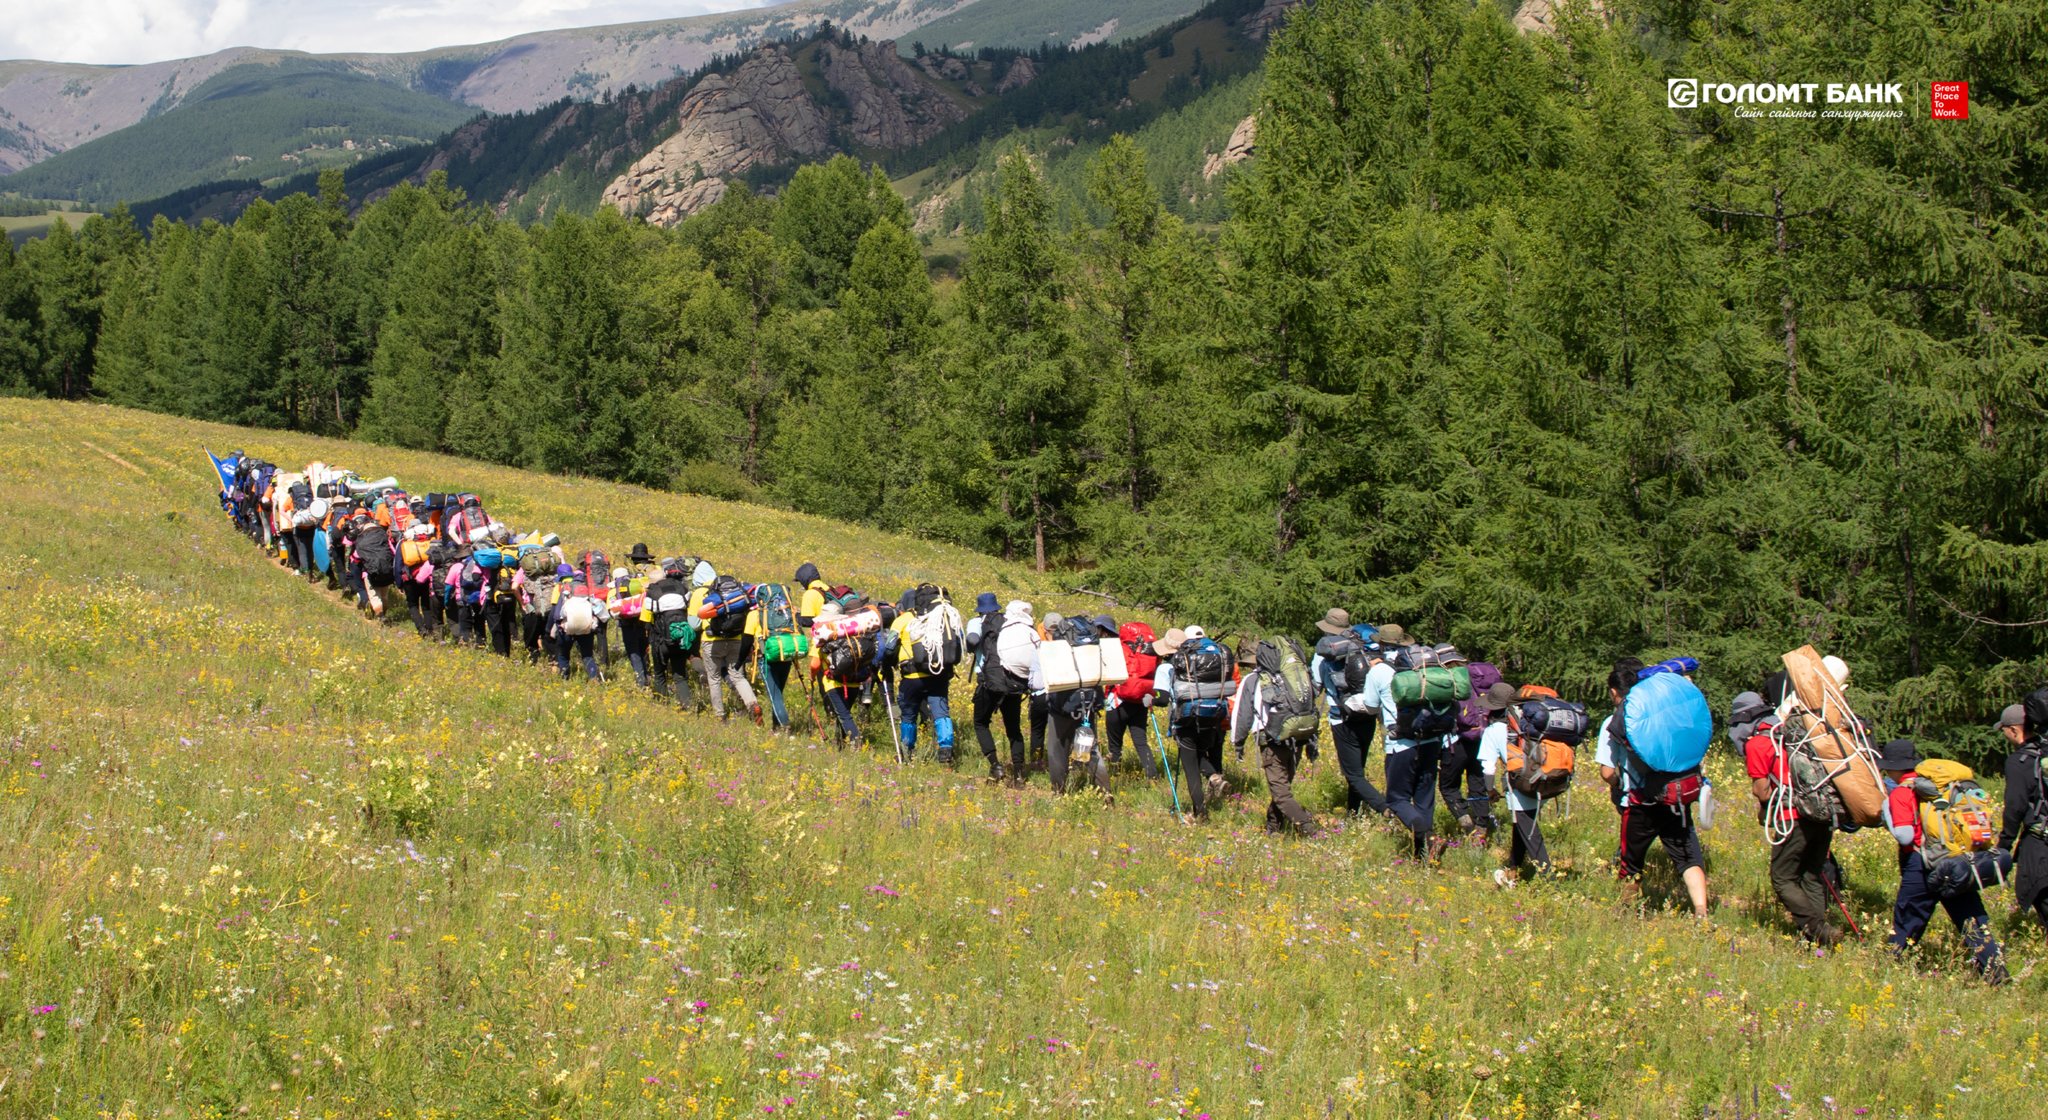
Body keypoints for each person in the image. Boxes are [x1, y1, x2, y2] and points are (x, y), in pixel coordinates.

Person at [1882, 738, 2007, 982]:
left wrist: (1886, 812)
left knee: (1908, 918)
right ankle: (1996, 971)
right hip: (1957, 859)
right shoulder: (1938, 787)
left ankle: (1889, 973)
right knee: (1971, 917)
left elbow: (1905, 836)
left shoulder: (1902, 793)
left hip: (1923, 864)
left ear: (1894, 767)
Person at [1596, 658, 1710, 918]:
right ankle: (1702, 913)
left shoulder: (1615, 720)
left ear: (1615, 692)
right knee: (1688, 857)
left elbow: (1607, 772)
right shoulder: (1668, 712)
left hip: (1639, 802)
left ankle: (1627, 913)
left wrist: (1617, 786)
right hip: (1676, 795)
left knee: (1631, 862)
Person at [1737, 688, 1841, 946]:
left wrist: (1763, 808)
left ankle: (1818, 929)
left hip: (1792, 816)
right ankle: (1817, 937)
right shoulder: (1797, 735)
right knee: (1811, 874)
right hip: (1823, 813)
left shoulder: (1758, 743)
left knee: (1782, 877)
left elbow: (1761, 790)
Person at [1370, 627, 1450, 861]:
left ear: (1382, 645)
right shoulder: (1424, 668)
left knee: (1397, 799)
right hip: (1432, 740)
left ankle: (1428, 837)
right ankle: (1422, 856)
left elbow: (1369, 704)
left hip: (1401, 744)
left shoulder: (1380, 670)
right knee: (1424, 799)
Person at [1231, 638, 1320, 837]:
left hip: (1271, 739)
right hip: (1298, 735)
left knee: (1280, 792)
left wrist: (1238, 743)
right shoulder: (1297, 676)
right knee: (1282, 786)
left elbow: (1242, 715)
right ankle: (1274, 827)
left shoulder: (1253, 680)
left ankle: (1308, 828)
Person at [1313, 613, 1392, 819]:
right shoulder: (1363, 646)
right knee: (1358, 770)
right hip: (1367, 713)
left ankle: (1385, 808)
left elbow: (1317, 685)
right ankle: (1353, 814)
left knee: (1353, 774)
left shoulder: (1327, 652)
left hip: (1342, 718)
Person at [1153, 627, 1230, 820]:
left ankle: (1200, 811)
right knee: (1199, 755)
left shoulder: (1166, 667)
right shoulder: (1202, 664)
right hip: (1211, 714)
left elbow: (1162, 699)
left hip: (1185, 718)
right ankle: (1213, 777)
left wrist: (1149, 700)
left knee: (1191, 767)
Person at [1476, 681, 1549, 885]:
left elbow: (1488, 768)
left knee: (1530, 832)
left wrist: (1489, 790)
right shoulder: (1527, 722)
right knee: (1521, 826)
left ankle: (1548, 878)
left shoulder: (1494, 731)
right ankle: (1512, 869)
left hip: (1520, 785)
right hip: (1542, 780)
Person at [892, 584, 964, 763]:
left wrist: (886, 662)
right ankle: (946, 750)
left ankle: (907, 750)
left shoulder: (903, 620)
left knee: (909, 715)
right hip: (937, 674)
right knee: (941, 712)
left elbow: (888, 646)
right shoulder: (938, 616)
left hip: (912, 677)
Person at [1997, 695, 2048, 935]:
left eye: (2004, 730)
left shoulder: (2019, 761)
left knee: (2035, 886)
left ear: (2015, 730)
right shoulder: (2043, 752)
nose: (2004, 735)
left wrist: (2005, 843)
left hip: (2040, 838)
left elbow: (2015, 807)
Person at [969, 598, 1034, 782]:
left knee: (980, 722)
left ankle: (995, 766)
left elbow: (970, 642)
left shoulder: (978, 623)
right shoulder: (1010, 624)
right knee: (1013, 729)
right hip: (1013, 682)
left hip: (989, 681)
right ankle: (1019, 774)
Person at [690, 566, 761, 722]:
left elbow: (694, 624)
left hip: (711, 641)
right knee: (738, 676)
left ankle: (720, 715)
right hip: (736, 638)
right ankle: (752, 704)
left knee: (714, 678)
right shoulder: (736, 592)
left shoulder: (699, 593)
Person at [809, 601, 878, 748]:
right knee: (844, 713)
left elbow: (814, 664)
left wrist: (812, 676)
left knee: (843, 715)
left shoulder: (822, 637)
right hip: (854, 680)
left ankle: (856, 742)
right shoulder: (851, 633)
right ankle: (839, 743)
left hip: (833, 682)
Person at [1101, 618, 1162, 778]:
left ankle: (1114, 774)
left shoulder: (1120, 649)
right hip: (1140, 699)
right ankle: (1152, 775)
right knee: (1141, 741)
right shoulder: (1148, 650)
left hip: (1118, 701)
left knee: (1115, 743)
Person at [645, 558, 696, 708]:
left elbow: (649, 613)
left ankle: (662, 704)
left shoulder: (652, 592)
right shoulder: (680, 587)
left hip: (660, 640)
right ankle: (688, 705)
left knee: (660, 675)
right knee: (680, 676)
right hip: (680, 637)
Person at [616, 545, 657, 688]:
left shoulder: (626, 572)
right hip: (646, 615)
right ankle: (648, 673)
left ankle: (640, 679)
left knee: (633, 648)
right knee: (644, 645)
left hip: (627, 615)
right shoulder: (653, 572)